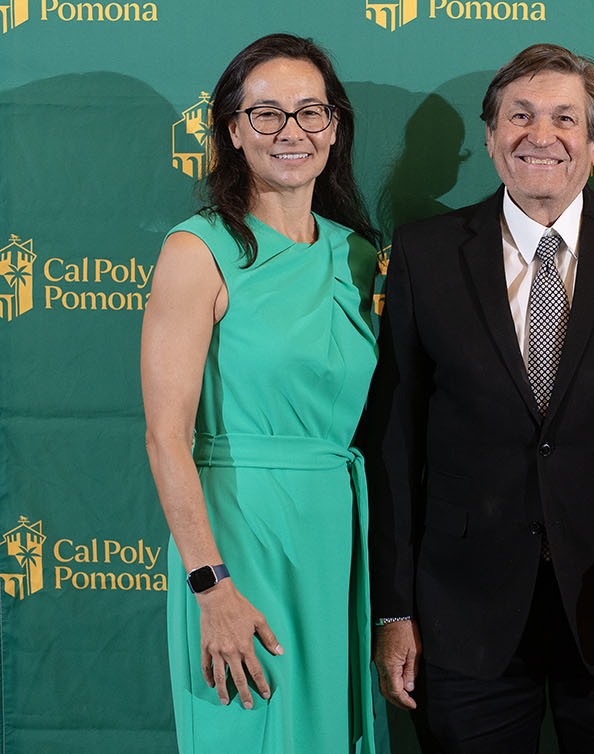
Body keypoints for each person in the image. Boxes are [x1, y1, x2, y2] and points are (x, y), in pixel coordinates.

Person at [364, 43, 594, 752]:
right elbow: (395, 443)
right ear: (490, 138)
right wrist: (393, 609)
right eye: (518, 116)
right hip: (462, 612)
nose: (540, 136)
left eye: (564, 118)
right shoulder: (425, 253)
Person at [141, 34, 381, 753]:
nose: (291, 132)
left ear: (334, 128)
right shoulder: (197, 250)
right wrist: (210, 586)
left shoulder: (359, 253)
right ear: (233, 130)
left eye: (310, 111)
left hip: (335, 532)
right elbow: (165, 438)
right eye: (267, 113)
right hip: (240, 539)